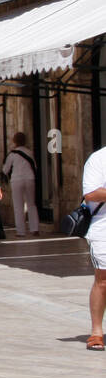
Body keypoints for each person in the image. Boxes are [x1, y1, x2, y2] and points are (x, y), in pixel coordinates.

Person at [82, 145, 106, 351]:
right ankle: (97, 332)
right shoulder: (99, 158)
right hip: (103, 226)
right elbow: (91, 193)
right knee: (103, 280)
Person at [2, 132, 39, 237]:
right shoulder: (29, 152)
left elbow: (5, 170)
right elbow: (34, 166)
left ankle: (21, 231)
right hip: (30, 178)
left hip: (17, 180)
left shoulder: (12, 154)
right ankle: (34, 229)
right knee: (31, 204)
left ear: (14, 141)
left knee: (18, 206)